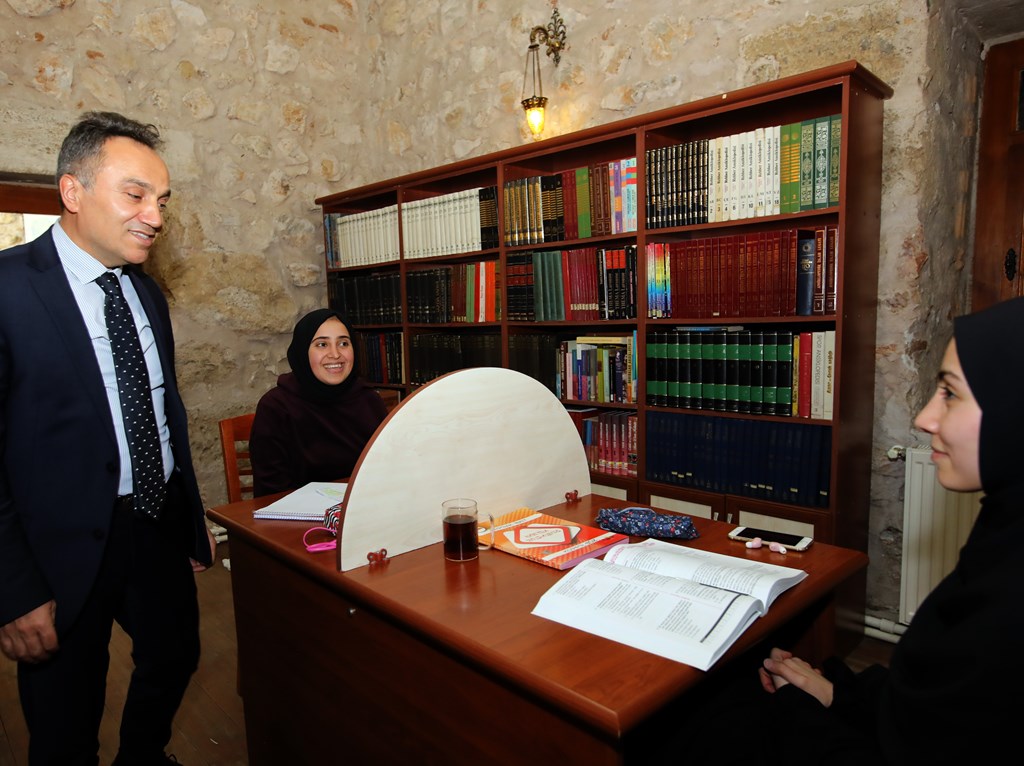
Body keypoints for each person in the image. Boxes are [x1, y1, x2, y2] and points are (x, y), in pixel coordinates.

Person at [685, 296, 1024, 765]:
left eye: (950, 393)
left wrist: (797, 704)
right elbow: (926, 709)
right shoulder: (1003, 527)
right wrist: (834, 692)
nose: (924, 418)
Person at [0, 112, 215, 765]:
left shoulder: (145, 293)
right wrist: (13, 589)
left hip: (152, 523)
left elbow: (163, 412)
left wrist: (188, 520)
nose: (155, 216)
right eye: (136, 194)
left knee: (175, 655)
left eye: (162, 200)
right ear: (73, 191)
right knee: (65, 715)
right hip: (57, 548)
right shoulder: (8, 289)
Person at [249, 309, 388, 496]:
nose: (335, 354)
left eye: (343, 343)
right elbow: (271, 491)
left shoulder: (369, 400)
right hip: (297, 512)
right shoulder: (276, 407)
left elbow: (387, 471)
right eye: (322, 344)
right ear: (303, 351)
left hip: (364, 507)